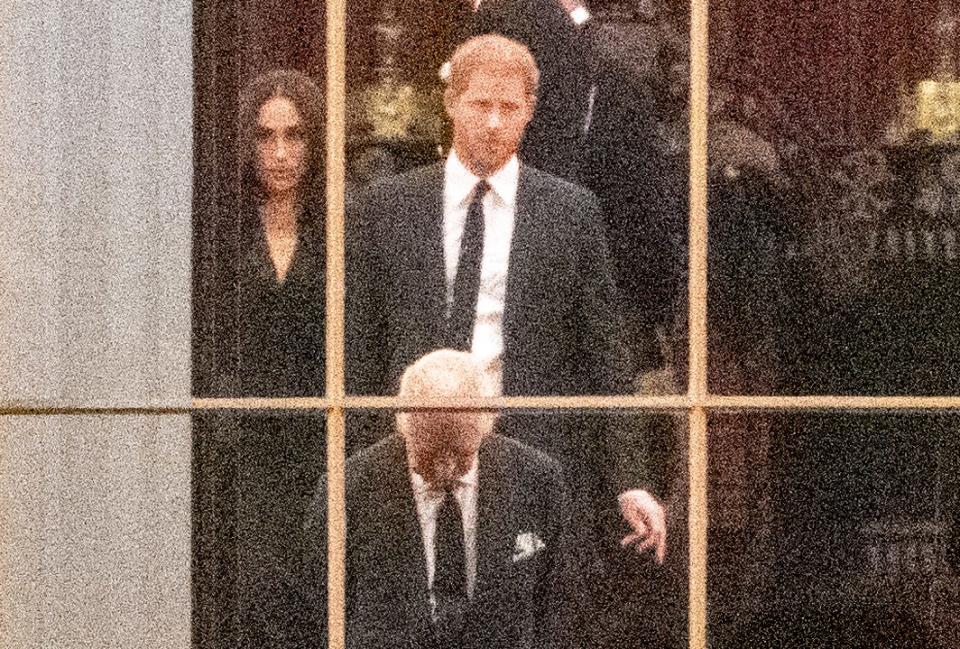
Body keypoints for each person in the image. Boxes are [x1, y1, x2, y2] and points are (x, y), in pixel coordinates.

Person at [346, 34, 667, 646]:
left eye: (510, 109)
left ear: (530, 111)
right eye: (480, 105)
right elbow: (360, 346)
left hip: (528, 455)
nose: (494, 123)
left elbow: (606, 353)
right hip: (409, 454)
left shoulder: (570, 212)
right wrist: (359, 462)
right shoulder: (387, 209)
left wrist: (631, 477)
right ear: (451, 103)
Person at [304, 349, 574, 648]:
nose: (445, 467)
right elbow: (316, 609)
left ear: (487, 425)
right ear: (403, 425)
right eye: (429, 452)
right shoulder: (347, 488)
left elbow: (556, 605)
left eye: (462, 452)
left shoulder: (537, 478)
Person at [230, 68, 327, 648]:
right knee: (253, 593)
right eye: (266, 137)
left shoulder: (344, 225)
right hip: (243, 442)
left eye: (295, 136)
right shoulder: (220, 227)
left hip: (322, 433)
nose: (281, 153)